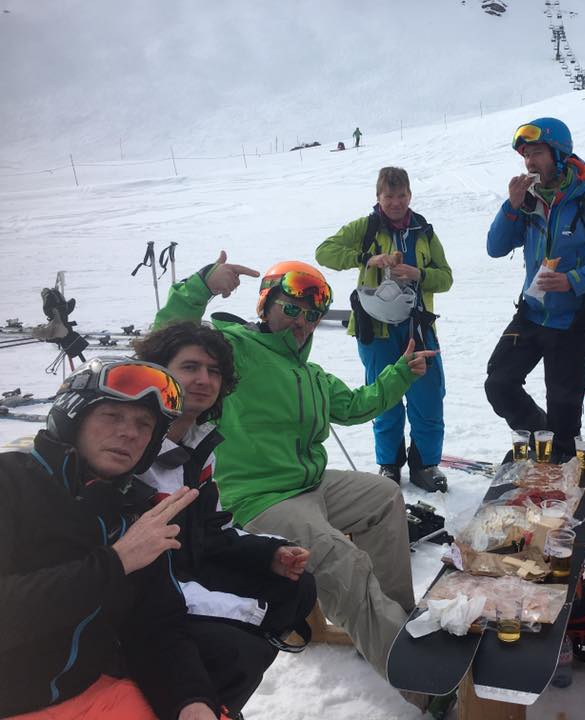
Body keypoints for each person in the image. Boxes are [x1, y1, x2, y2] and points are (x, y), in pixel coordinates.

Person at [153, 254, 446, 712]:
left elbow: (357, 406)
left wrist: (400, 374)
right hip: (257, 498)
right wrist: (203, 285)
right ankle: (423, 681)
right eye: (291, 308)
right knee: (342, 561)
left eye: (311, 315)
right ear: (266, 305)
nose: (301, 322)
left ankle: (392, 626)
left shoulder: (311, 375)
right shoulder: (236, 350)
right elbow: (170, 338)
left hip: (308, 485)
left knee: (384, 494)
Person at [0, 358, 223, 720]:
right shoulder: (10, 482)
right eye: (112, 416)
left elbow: (157, 625)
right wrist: (116, 563)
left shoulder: (132, 510)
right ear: (73, 418)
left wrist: (190, 700)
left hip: (86, 693)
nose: (129, 433)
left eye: (144, 425)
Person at [133, 321, 318, 715]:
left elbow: (214, 529)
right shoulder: (135, 451)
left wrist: (271, 554)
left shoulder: (198, 444)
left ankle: (215, 694)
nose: (204, 379)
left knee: (297, 587)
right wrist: (245, 610)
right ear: (159, 374)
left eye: (214, 371)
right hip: (144, 596)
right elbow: (144, 579)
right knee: (239, 649)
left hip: (190, 571)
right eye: (190, 367)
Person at [485, 117, 585, 458]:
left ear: (560, 155)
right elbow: (495, 248)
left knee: (565, 414)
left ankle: (559, 453)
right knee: (499, 384)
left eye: (537, 153)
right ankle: (542, 440)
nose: (530, 162)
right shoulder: (528, 200)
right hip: (532, 314)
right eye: (526, 155)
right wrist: (511, 206)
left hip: (574, 321)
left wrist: (572, 280)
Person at [316, 166, 452, 491]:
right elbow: (324, 252)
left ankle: (426, 465)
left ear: (410, 195)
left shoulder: (423, 231)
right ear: (378, 197)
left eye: (401, 195)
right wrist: (367, 258)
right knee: (384, 397)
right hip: (375, 329)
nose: (395, 202)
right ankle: (389, 464)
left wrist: (419, 274)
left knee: (428, 397)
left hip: (417, 328)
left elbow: (446, 277)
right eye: (389, 196)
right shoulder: (365, 227)